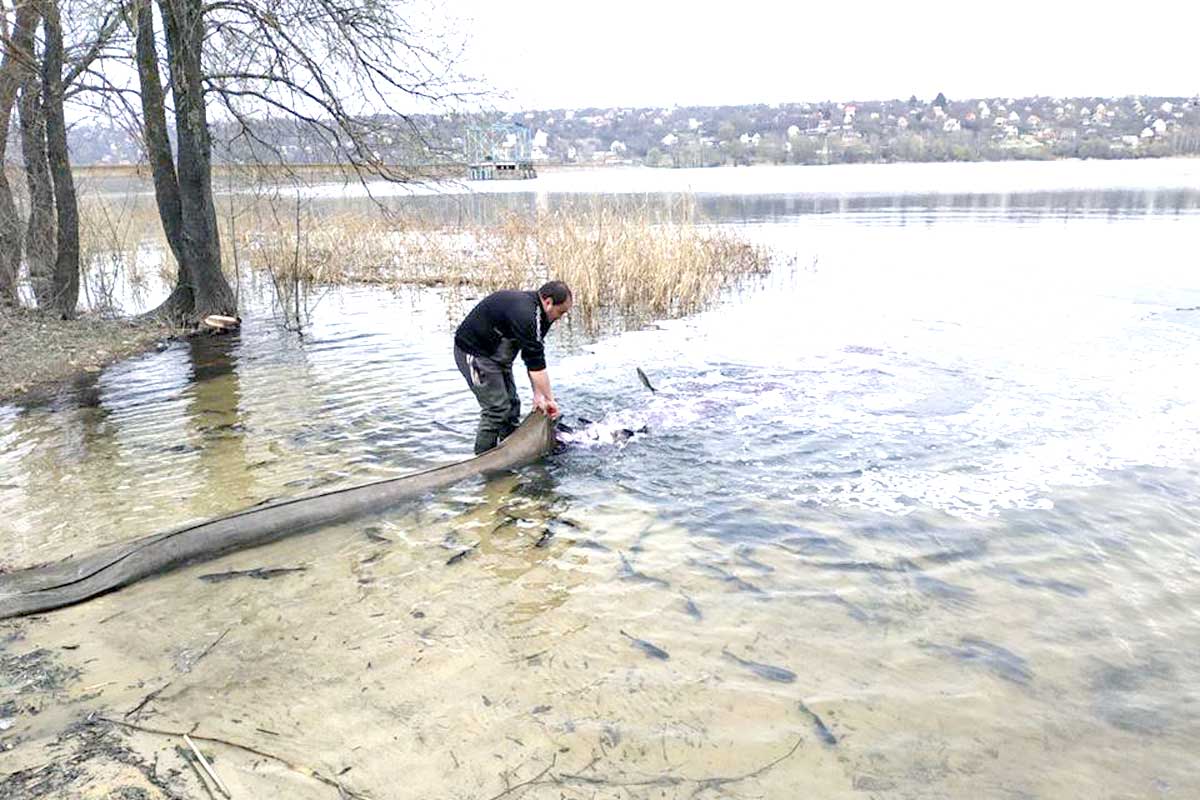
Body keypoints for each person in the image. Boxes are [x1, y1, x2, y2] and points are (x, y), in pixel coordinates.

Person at [453, 281, 573, 454]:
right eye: (561, 311)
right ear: (548, 302)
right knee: (496, 409)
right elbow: (536, 365)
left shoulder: (544, 316)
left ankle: (509, 448)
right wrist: (550, 399)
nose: (561, 317)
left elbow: (533, 358)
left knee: (512, 405)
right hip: (474, 353)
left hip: (498, 356)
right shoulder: (526, 313)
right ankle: (483, 458)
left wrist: (538, 395)